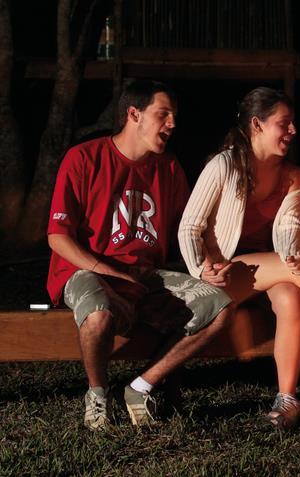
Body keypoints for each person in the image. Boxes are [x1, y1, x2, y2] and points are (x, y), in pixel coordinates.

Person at [47, 80, 234, 430]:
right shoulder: (84, 158)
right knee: (99, 314)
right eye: (163, 114)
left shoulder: (169, 168)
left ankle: (140, 386)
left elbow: (189, 228)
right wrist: (110, 272)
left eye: (174, 116)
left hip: (144, 275)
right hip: (87, 270)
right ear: (134, 114)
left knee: (219, 308)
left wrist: (205, 263)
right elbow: (58, 237)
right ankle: (98, 398)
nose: (172, 124)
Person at [178, 87, 300, 429]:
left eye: (293, 124)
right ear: (257, 124)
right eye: (283, 123)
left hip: (264, 269)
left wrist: (289, 253)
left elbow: (287, 226)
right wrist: (201, 267)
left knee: (290, 296)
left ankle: (286, 399)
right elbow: (189, 226)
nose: (292, 131)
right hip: (225, 272)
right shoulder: (225, 165)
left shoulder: (291, 176)